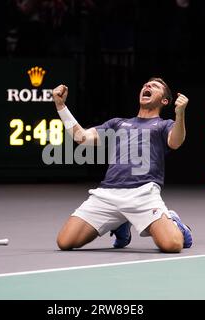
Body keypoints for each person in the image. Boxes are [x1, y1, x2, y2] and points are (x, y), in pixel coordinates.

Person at [53, 78, 192, 253]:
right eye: (145, 85)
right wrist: (60, 105)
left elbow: (175, 142)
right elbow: (81, 137)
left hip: (143, 193)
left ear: (164, 101)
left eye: (155, 86)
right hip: (107, 194)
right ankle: (121, 223)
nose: (147, 86)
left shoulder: (164, 125)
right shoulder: (117, 123)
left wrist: (180, 114)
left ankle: (174, 222)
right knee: (64, 242)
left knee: (172, 245)